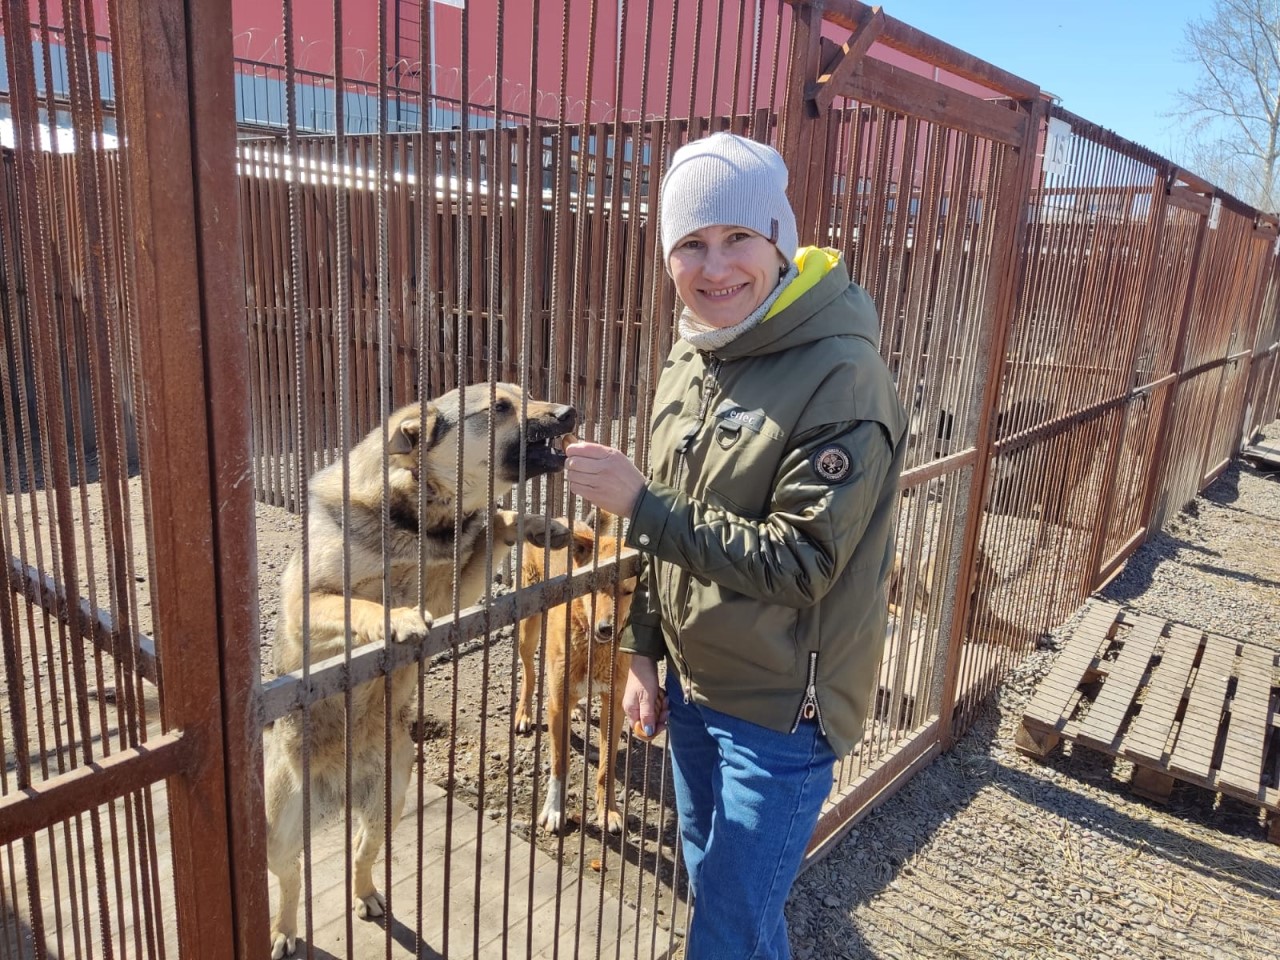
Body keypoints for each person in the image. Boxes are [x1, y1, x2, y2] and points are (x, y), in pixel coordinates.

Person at [564, 131, 908, 960]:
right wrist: (643, 650)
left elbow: (802, 562)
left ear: (780, 241)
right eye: (690, 244)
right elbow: (670, 539)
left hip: (779, 711)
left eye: (736, 238)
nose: (714, 267)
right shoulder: (693, 354)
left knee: (721, 930)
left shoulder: (841, 374)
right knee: (736, 912)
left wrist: (641, 501)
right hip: (692, 688)